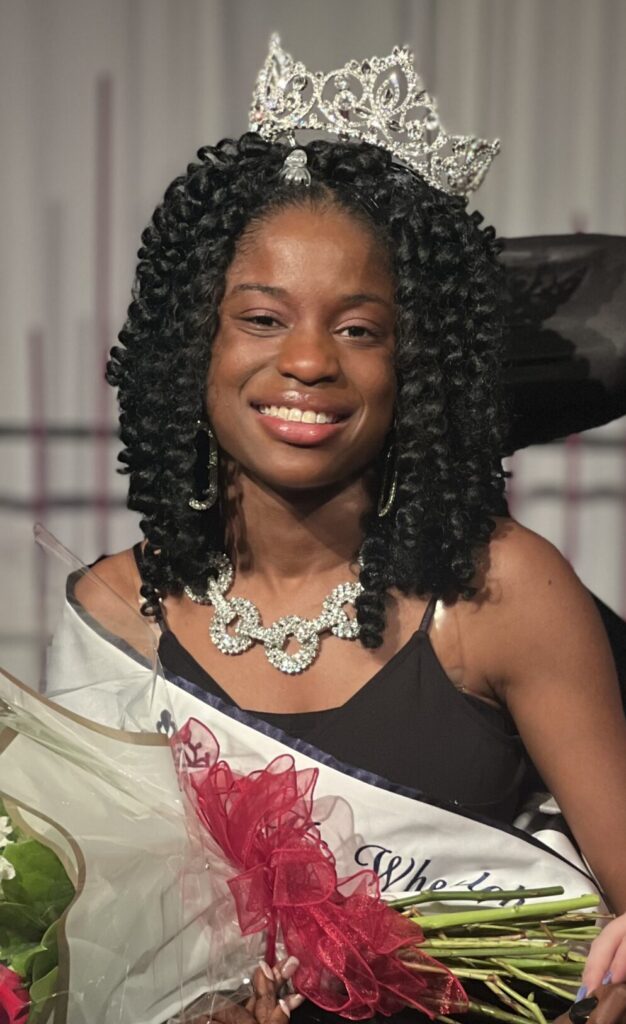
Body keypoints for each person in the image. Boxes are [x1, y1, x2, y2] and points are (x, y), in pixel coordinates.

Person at [62, 38, 626, 1024]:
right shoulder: (112, 613)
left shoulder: (495, 591)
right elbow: (69, 951)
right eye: (263, 318)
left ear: (416, 364)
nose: (310, 360)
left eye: (359, 328)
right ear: (191, 345)